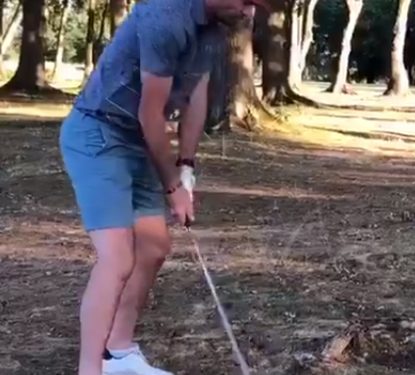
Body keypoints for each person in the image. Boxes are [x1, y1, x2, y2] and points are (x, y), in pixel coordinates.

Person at [58, 0, 267, 374]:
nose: (250, 13)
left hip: (137, 142)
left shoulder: (216, 28)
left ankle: (118, 354)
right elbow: (150, 114)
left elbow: (195, 95)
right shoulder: (165, 16)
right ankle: (90, 369)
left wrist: (186, 166)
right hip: (98, 134)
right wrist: (171, 186)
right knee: (117, 258)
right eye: (246, 1)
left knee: (154, 247)